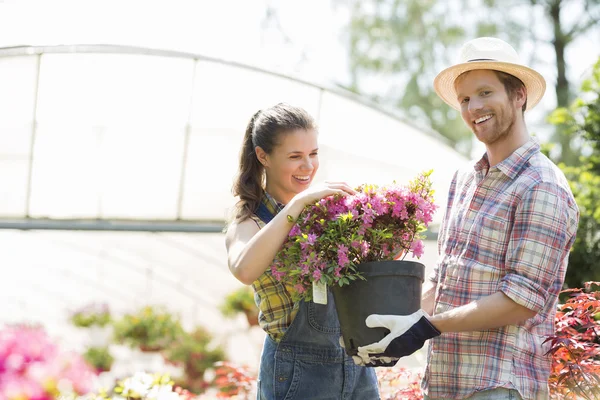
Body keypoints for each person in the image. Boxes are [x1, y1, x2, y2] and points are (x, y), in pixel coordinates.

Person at [353, 37, 580, 400]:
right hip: (445, 383)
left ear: (519, 94)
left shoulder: (542, 185)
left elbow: (521, 299)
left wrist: (424, 327)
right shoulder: (464, 180)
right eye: (464, 99)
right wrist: (395, 324)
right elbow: (445, 281)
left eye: (485, 92)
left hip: (498, 385)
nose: (474, 107)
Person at [225, 103, 380, 400]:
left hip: (356, 366)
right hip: (298, 375)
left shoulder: (326, 215)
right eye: (295, 156)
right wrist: (297, 205)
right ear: (263, 156)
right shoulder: (250, 221)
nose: (308, 167)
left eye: (313, 154)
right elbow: (244, 270)